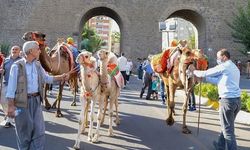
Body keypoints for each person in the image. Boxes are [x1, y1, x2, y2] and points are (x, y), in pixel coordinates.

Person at [6, 41, 69, 150]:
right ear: (31, 51)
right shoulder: (17, 66)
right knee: (24, 134)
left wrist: (61, 77)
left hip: (36, 101)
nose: (40, 51)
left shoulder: (38, 65)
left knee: (39, 132)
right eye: (37, 49)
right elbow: (11, 89)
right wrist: (10, 106)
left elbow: (46, 78)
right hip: (22, 104)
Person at [193, 49, 241, 150]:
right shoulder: (233, 67)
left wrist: (194, 71)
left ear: (224, 57)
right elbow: (219, 80)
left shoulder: (224, 66)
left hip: (227, 101)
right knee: (227, 126)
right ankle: (220, 146)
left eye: (218, 57)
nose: (217, 59)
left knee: (228, 131)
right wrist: (204, 78)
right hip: (236, 101)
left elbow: (207, 72)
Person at [0, 45, 22, 128]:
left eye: (16, 49)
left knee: (16, 103)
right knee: (3, 101)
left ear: (19, 51)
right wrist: (1, 70)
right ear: (10, 51)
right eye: (13, 49)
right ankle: (10, 115)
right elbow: (2, 69)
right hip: (6, 83)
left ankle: (10, 119)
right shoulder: (6, 60)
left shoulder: (21, 60)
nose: (14, 50)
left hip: (18, 85)